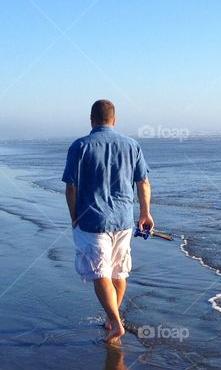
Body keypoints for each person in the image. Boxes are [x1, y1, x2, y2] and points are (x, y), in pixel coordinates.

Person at [62, 100, 153, 344]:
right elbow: (143, 182)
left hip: (92, 220)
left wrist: (73, 215)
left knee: (99, 271)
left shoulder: (80, 146)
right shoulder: (132, 145)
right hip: (123, 219)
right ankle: (112, 320)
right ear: (114, 119)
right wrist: (145, 213)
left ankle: (115, 322)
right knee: (118, 271)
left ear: (91, 119)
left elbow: (71, 187)